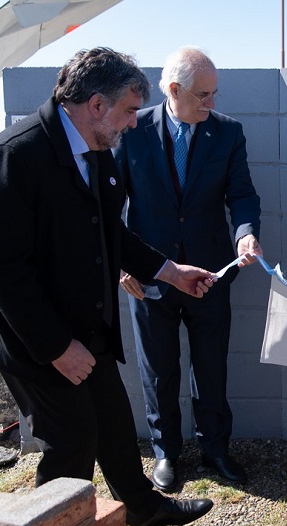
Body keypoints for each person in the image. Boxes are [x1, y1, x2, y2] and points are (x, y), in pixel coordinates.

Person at [0, 47, 217, 526]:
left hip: (84, 322)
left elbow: (111, 235)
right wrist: (58, 348)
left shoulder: (97, 152)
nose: (131, 123)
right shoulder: (13, 156)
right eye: (127, 112)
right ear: (96, 105)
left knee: (113, 420)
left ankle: (144, 508)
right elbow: (0, 270)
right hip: (31, 335)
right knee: (72, 438)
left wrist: (169, 271)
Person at [114, 46, 262, 492]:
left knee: (211, 365)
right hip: (150, 276)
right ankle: (165, 454)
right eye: (203, 95)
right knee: (158, 368)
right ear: (174, 90)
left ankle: (216, 448)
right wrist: (124, 266)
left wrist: (245, 233)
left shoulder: (228, 133)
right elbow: (109, 203)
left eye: (215, 93)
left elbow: (242, 195)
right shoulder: (131, 129)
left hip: (211, 275)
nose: (212, 103)